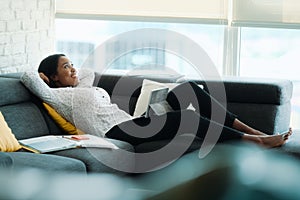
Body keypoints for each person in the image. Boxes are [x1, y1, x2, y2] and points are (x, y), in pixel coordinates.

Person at [21, 54, 292, 148]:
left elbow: (89, 73)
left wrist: (70, 74)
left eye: (72, 64)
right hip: (115, 132)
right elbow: (26, 76)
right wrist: (44, 78)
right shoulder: (56, 95)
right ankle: (255, 142)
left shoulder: (82, 85)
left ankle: (254, 130)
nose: (74, 70)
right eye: (66, 67)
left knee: (185, 89)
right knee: (186, 119)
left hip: (132, 120)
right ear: (52, 77)